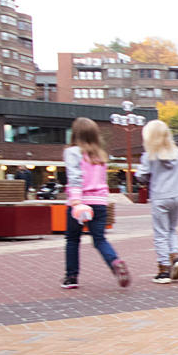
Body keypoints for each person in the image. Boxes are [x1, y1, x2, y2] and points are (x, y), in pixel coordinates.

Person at [62, 117, 130, 289]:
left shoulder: (72, 152)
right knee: (99, 239)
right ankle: (115, 261)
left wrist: (76, 200)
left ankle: (71, 277)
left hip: (79, 203)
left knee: (72, 239)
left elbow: (75, 176)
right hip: (99, 202)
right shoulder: (100, 155)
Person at [138, 120, 178, 284]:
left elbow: (141, 176)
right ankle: (176, 257)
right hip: (177, 196)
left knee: (161, 233)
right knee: (172, 230)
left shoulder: (150, 155)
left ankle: (164, 270)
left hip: (160, 196)